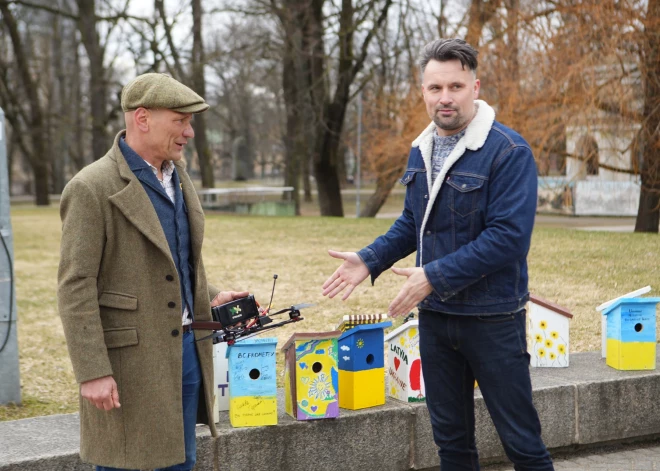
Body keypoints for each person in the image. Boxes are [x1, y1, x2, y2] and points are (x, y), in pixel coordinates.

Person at [322, 39, 554, 471]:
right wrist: (370, 259)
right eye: (434, 88)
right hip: (435, 318)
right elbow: (414, 223)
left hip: (492, 319)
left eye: (455, 86)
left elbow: (508, 238)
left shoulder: (508, 151)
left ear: (475, 87)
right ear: (423, 91)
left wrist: (433, 275)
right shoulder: (422, 148)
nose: (444, 98)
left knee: (522, 442)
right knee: (450, 444)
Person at [58, 73, 247, 471]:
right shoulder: (91, 187)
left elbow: (173, 259)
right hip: (128, 364)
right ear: (142, 118)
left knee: (180, 462)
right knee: (125, 464)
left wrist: (210, 295)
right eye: (180, 120)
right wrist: (93, 371)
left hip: (186, 353)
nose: (189, 132)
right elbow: (76, 286)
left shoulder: (178, 176)